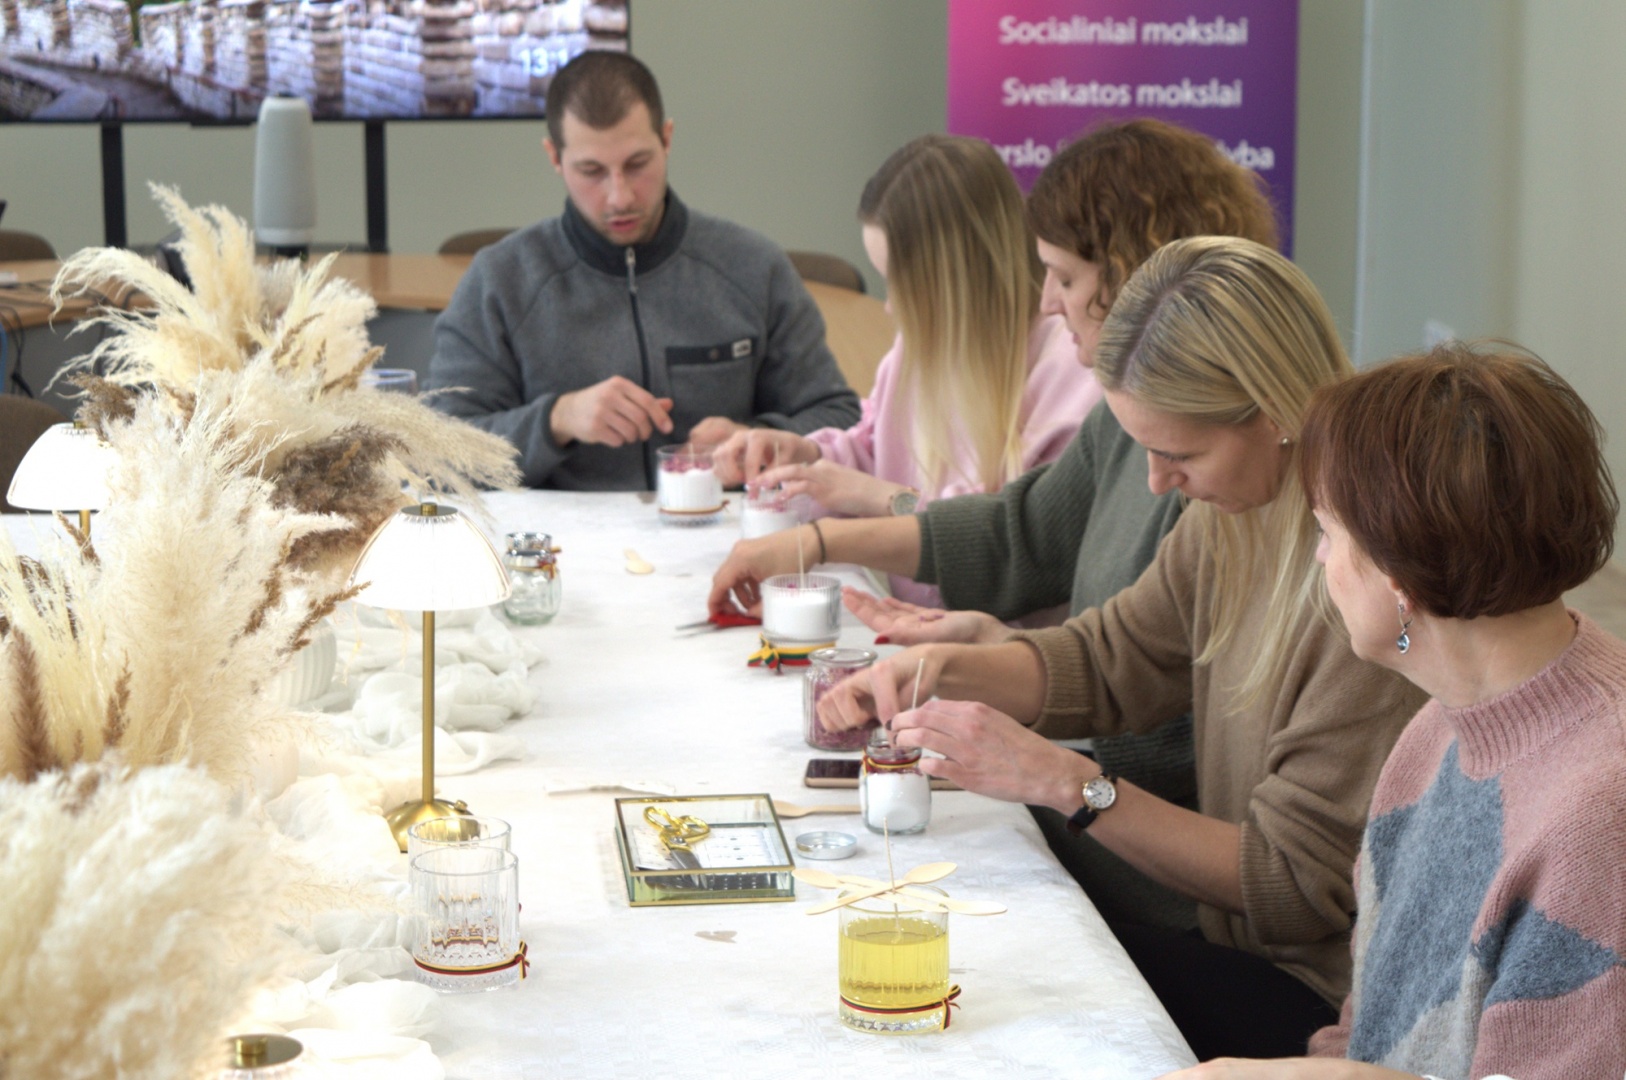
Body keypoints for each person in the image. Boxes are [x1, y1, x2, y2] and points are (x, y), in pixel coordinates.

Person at [816, 236, 1427, 1061]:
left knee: (998, 996)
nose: (1156, 483)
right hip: (1239, 940)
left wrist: (1065, 781)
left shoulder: (1359, 592)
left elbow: (1291, 886)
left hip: (1311, 991)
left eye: (1179, 453)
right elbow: (1113, 659)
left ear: (1275, 413)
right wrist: (941, 673)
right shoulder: (1230, 520)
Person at [709, 118, 1280, 930]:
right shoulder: (1137, 427)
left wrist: (1048, 763)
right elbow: (1076, 608)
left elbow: (1193, 760)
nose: (1047, 298)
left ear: (1142, 281)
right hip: (1115, 816)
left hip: (1159, 872)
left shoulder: (1217, 484)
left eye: (1064, 275)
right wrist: (972, 658)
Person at [1158, 345, 1626, 1080]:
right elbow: (1367, 1028)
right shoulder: (1436, 732)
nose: (1320, 560)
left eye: (1327, 532)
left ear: (1398, 576)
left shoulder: (1599, 815)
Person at [426, 51, 860, 490]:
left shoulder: (753, 267)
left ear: (667, 139)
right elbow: (434, 455)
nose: (621, 197)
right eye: (592, 171)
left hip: (726, 525)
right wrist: (556, 419)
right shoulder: (500, 281)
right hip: (559, 533)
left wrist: (758, 441)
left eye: (637, 164)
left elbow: (845, 424)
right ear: (554, 157)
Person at [710, 134, 1099, 607]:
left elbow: (1009, 538)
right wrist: (806, 456)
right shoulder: (920, 349)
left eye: (904, 285)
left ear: (958, 278)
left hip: (1005, 639)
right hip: (913, 625)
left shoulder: (1072, 368)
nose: (892, 307)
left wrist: (878, 498)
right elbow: (875, 448)